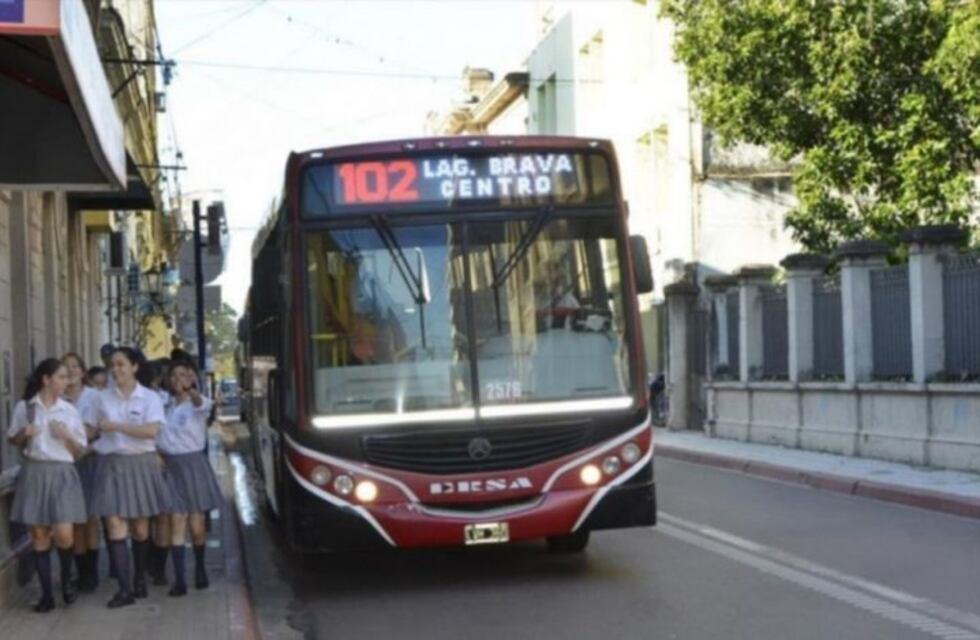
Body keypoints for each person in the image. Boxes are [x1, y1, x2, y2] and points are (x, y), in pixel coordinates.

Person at [90, 347, 172, 608]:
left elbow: (151, 431)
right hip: (111, 464)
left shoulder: (150, 398)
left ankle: (139, 578)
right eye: (112, 365)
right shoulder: (101, 399)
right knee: (114, 525)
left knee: (140, 528)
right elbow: (91, 430)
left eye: (121, 364)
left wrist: (116, 426)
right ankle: (124, 590)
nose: (115, 370)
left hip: (141, 464)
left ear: (134, 367)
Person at [7, 359, 88, 612]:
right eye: (61, 377)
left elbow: (80, 452)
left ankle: (66, 579)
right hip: (34, 472)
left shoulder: (69, 410)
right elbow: (13, 439)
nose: (66, 381)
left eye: (66, 377)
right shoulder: (26, 407)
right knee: (39, 535)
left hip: (62, 472)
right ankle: (46, 596)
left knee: (64, 534)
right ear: (46, 379)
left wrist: (67, 436)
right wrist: (24, 434)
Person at [157, 362, 222, 596]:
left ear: (191, 378)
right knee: (176, 520)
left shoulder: (198, 404)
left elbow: (200, 403)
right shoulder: (164, 405)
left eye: (183, 375)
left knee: (196, 523)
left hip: (193, 464)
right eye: (174, 375)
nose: (178, 379)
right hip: (170, 465)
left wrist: (191, 389)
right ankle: (180, 580)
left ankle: (200, 569)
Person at [61, 352, 102, 593]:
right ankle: (81, 572)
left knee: (90, 518)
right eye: (66, 367)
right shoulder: (57, 397)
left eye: (75, 366)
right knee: (74, 519)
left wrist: (81, 436)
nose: (71, 371)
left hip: (89, 461)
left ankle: (92, 573)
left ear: (83, 371)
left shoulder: (93, 396)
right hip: (66, 462)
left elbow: (95, 429)